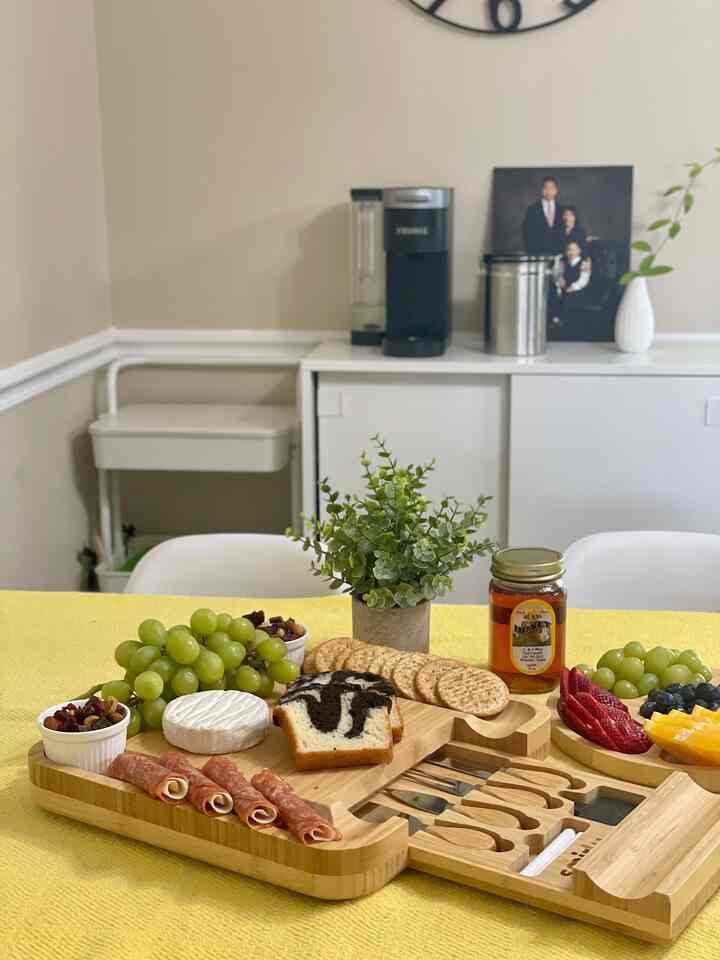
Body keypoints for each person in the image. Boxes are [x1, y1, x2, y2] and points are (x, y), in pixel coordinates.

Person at [549, 240, 592, 326]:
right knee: (555, 296)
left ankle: (565, 320)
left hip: (577, 291)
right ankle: (557, 319)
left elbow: (584, 279)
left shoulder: (584, 263)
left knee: (569, 301)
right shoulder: (563, 263)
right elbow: (557, 275)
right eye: (569, 249)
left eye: (574, 249)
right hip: (564, 289)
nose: (571, 252)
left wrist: (573, 287)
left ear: (579, 251)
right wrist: (559, 281)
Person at [522, 176, 564, 255]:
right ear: (541, 190)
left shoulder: (563, 210)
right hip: (538, 254)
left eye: (551, 188)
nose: (548, 191)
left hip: (559, 255)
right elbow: (527, 234)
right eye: (545, 188)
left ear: (556, 190)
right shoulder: (532, 210)